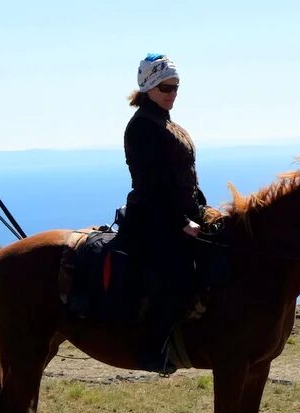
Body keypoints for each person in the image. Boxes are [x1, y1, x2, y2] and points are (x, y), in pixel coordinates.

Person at [121, 54, 207, 374]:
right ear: (148, 87)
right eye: (165, 87)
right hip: (153, 221)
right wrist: (181, 222)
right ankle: (152, 349)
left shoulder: (167, 122)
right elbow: (150, 185)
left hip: (181, 215)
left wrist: (203, 211)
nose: (172, 93)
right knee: (175, 275)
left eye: (175, 87)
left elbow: (186, 179)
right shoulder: (142, 127)